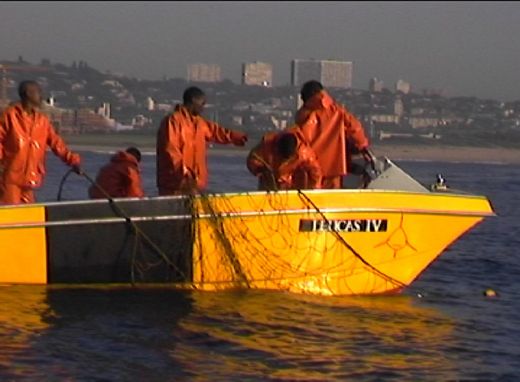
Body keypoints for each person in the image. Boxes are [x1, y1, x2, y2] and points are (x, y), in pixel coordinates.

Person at [0, 80, 81, 204]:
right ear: (28, 93)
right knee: (11, 213)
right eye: (38, 92)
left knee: (30, 216)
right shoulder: (9, 116)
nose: (41, 96)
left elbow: (56, 143)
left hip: (30, 178)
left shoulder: (42, 121)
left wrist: (73, 161)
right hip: (9, 177)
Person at [156, 86, 248, 195]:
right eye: (202, 103)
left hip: (194, 184)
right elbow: (171, 151)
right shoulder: (173, 121)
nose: (203, 108)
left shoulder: (199, 123)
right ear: (194, 101)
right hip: (174, 185)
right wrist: (184, 173)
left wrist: (236, 137)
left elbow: (216, 132)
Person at [295, 80, 374, 189]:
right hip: (334, 167)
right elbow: (355, 129)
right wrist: (363, 147)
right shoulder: (337, 111)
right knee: (332, 197)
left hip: (309, 168)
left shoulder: (302, 116)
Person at [247, 129, 322, 191]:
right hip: (268, 184)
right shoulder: (267, 144)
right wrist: (261, 169)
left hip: (291, 187)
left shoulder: (304, 153)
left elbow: (316, 172)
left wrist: (314, 190)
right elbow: (252, 159)